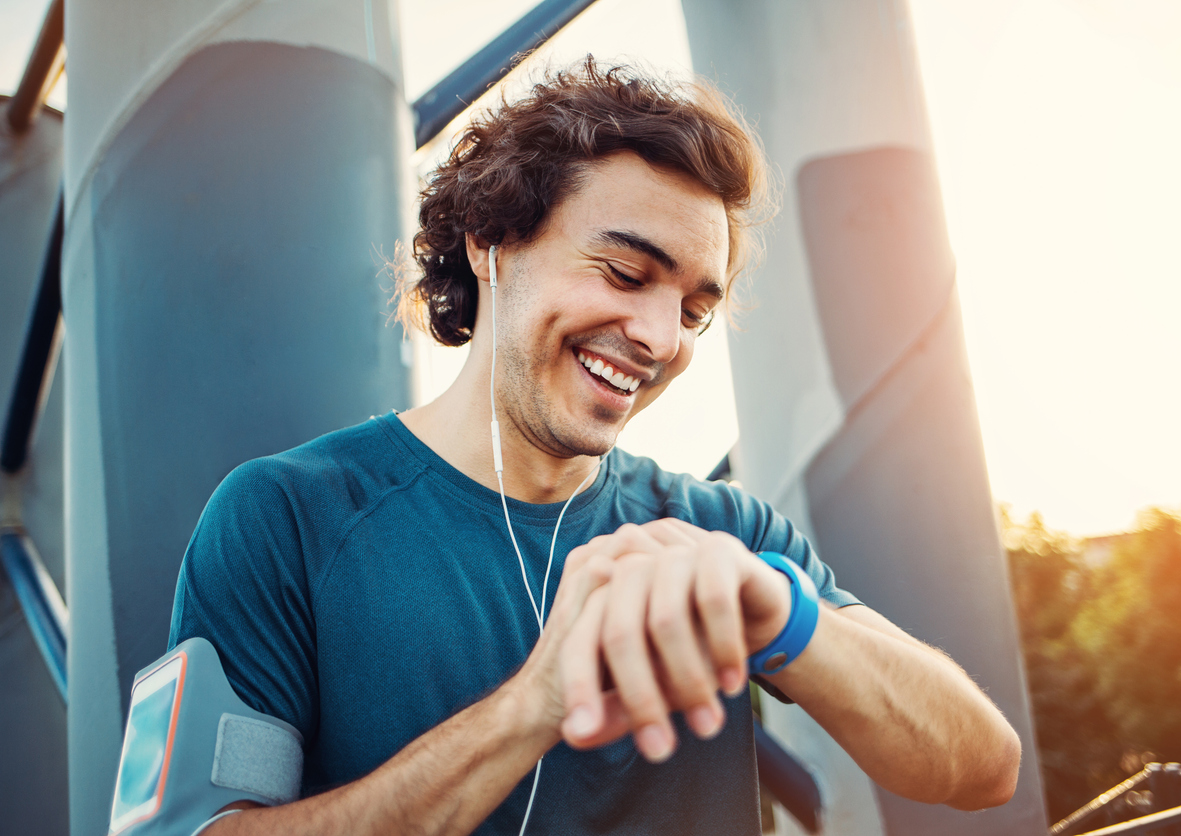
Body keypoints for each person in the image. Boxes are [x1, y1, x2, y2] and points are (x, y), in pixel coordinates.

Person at [169, 59, 1021, 836]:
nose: (658, 337)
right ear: (491, 240)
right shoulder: (284, 516)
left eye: (694, 311)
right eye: (622, 273)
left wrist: (784, 611)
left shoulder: (724, 535)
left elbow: (984, 767)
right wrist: (531, 707)